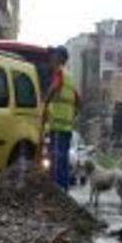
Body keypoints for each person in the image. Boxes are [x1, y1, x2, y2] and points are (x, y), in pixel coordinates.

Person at [42, 46, 80, 191]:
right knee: (62, 159)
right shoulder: (70, 77)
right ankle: (63, 190)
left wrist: (45, 101)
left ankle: (57, 190)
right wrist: (72, 115)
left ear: (59, 58)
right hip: (67, 127)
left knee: (57, 159)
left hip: (57, 127)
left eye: (54, 56)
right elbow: (78, 100)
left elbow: (55, 87)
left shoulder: (59, 73)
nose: (51, 59)